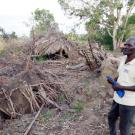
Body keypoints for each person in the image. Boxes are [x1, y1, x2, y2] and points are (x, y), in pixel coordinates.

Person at [107, 36, 135, 135]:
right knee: (111, 117)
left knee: (124, 129)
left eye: (129, 45)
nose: (125, 47)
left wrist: (120, 87)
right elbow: (121, 75)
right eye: (125, 44)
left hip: (129, 103)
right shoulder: (123, 59)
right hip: (117, 98)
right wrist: (114, 81)